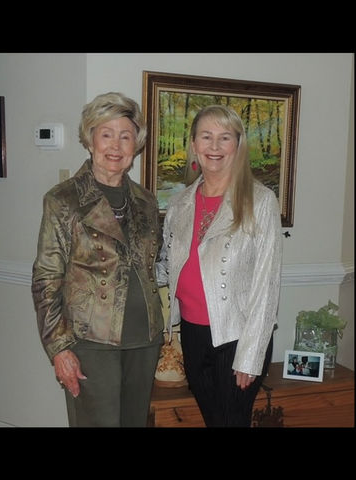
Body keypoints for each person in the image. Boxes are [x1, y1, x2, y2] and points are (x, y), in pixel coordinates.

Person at [32, 92, 164, 427]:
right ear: (90, 140)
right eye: (107, 134)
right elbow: (46, 279)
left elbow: (152, 266)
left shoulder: (146, 201)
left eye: (126, 136)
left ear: (136, 145)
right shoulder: (63, 200)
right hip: (90, 343)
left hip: (144, 340)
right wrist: (59, 348)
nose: (116, 146)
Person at [157, 105, 282, 427]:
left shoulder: (260, 201)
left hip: (236, 336)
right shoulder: (179, 203)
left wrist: (250, 356)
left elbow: (267, 286)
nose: (214, 146)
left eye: (224, 137)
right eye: (206, 136)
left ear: (238, 145)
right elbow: (167, 265)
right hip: (192, 333)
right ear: (194, 145)